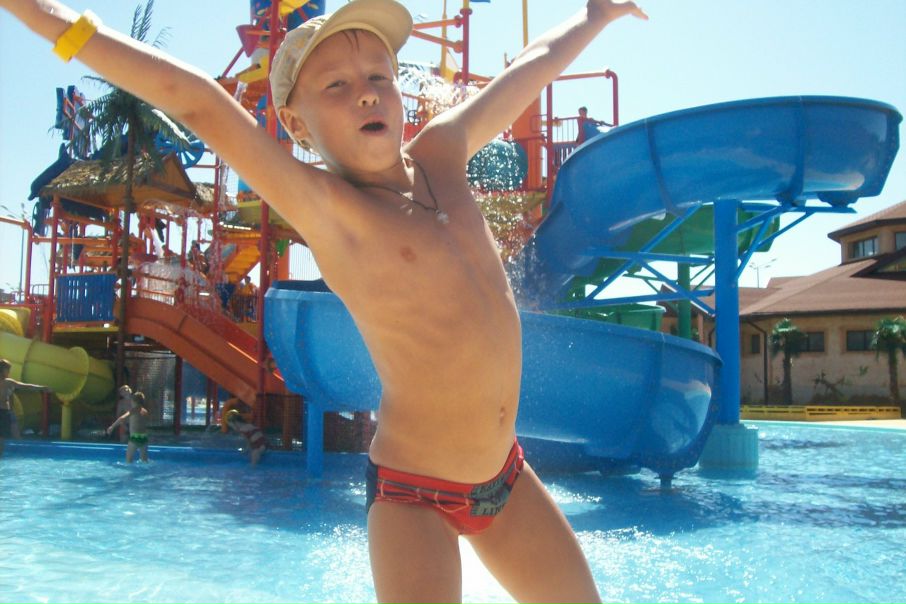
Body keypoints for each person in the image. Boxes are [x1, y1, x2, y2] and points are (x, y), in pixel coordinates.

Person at [0, 0, 646, 600]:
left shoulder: (444, 151)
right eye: (335, 85)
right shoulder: (330, 208)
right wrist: (49, 18)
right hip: (414, 495)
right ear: (294, 123)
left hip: (504, 476)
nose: (366, 91)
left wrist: (592, 18)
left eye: (379, 76)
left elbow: (532, 67)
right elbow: (195, 100)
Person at [0, 358, 52, 456]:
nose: (9, 372)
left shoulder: (7, 382)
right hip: (3, 412)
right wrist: (42, 388)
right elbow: (26, 386)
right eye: (8, 370)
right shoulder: (7, 382)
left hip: (5, 412)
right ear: (3, 371)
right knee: (2, 437)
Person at [105, 389, 150, 463]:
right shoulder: (145, 411)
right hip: (144, 438)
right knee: (144, 460)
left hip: (135, 437)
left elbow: (122, 418)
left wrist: (112, 427)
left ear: (133, 401)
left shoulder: (133, 410)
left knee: (129, 459)